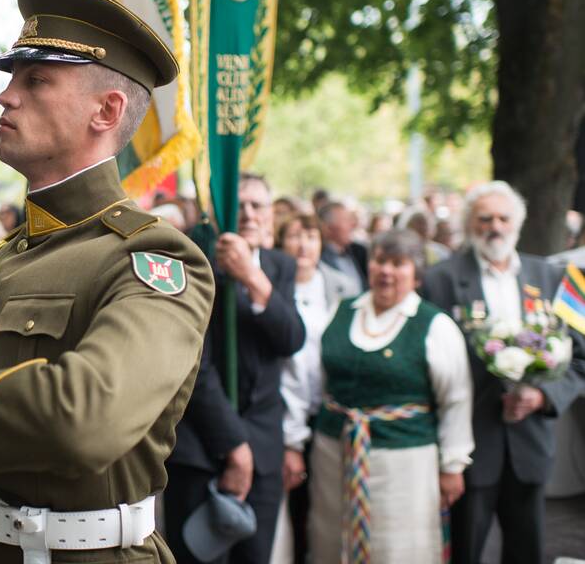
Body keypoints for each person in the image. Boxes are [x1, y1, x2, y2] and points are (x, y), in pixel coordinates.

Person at [0, 0, 215, 563]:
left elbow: (91, 413)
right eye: (11, 78)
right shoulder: (7, 253)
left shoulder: (150, 257)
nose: (6, 96)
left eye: (37, 80)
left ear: (106, 110)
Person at [421, 181, 585, 564]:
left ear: (518, 223)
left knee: (526, 552)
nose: (495, 226)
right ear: (469, 224)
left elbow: (582, 357)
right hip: (469, 446)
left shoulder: (555, 277)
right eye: (484, 218)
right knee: (465, 551)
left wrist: (544, 395)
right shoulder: (440, 280)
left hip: (531, 447)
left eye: (503, 218)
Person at [310, 229, 473, 562]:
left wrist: (452, 466)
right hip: (334, 455)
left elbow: (456, 400)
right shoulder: (340, 311)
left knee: (397, 549)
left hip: (405, 463)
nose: (386, 271)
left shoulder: (434, 326)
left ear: (415, 274)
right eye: (380, 261)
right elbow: (320, 382)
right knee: (332, 540)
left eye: (398, 263)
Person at [167, 173, 306, 564]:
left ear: (270, 214)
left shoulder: (278, 267)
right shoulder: (193, 262)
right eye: (238, 205)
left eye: (257, 205)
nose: (248, 214)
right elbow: (196, 366)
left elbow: (291, 338)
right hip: (201, 447)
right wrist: (234, 447)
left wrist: (251, 276)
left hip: (263, 445)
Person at [270, 213, 355, 563]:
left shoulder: (341, 287)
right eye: (294, 236)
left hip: (329, 410)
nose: (304, 245)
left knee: (326, 504)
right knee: (291, 507)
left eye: (311, 236)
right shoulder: (272, 286)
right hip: (285, 415)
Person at [319, 200, 368, 292]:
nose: (353, 224)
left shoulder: (359, 252)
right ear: (328, 228)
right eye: (346, 220)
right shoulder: (319, 259)